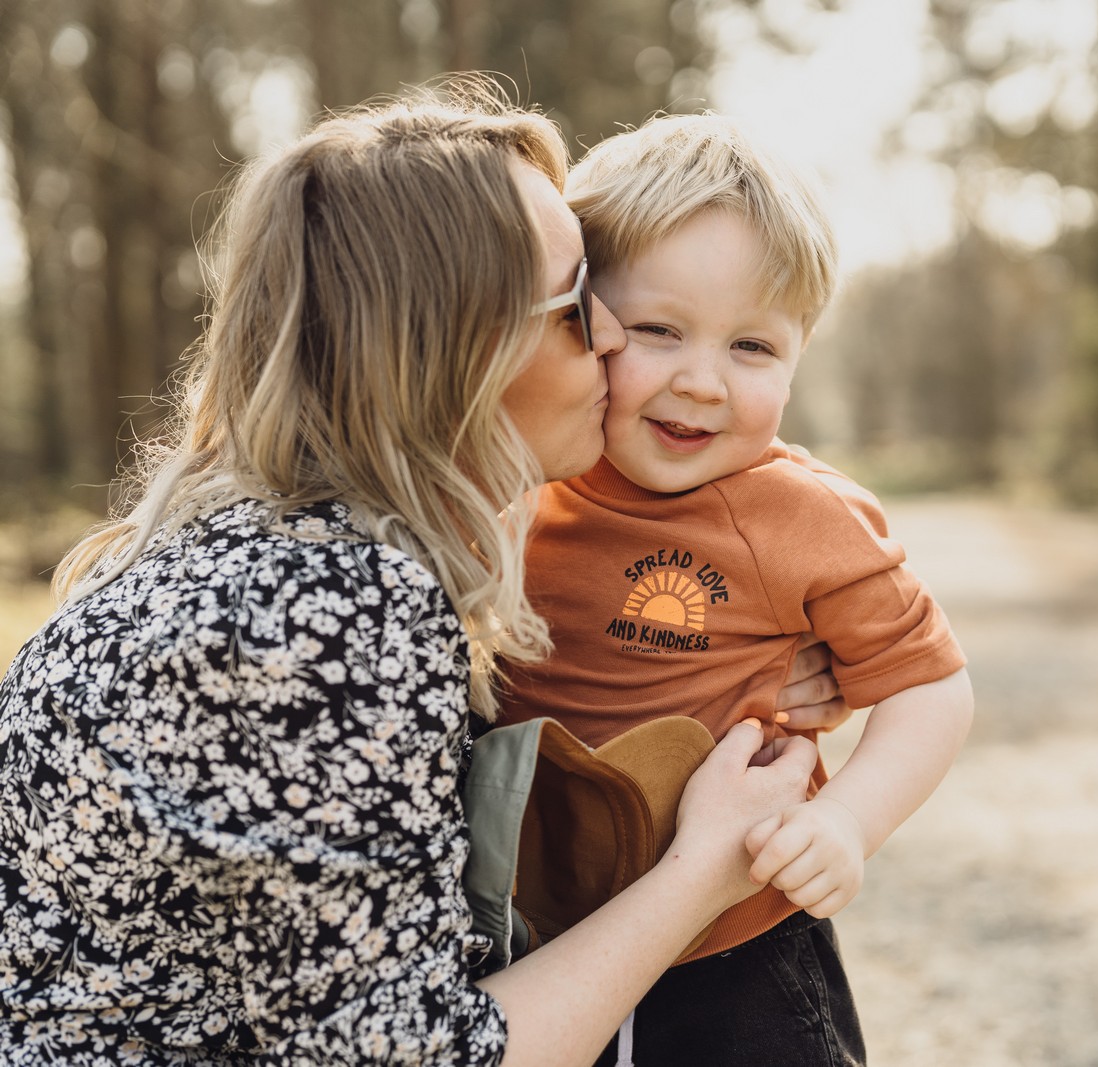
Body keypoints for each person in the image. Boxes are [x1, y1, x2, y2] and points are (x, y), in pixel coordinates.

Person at [0, 83, 852, 1067]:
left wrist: (698, 659)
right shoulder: (333, 609)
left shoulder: (252, 547)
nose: (615, 337)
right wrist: (705, 868)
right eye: (579, 304)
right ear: (457, 348)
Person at [498, 113, 975, 1066]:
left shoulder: (798, 515)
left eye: (752, 348)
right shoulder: (524, 480)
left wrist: (845, 819)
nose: (704, 381)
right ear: (583, 320)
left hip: (733, 946)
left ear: (799, 358)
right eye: (659, 331)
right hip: (533, 936)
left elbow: (932, 687)